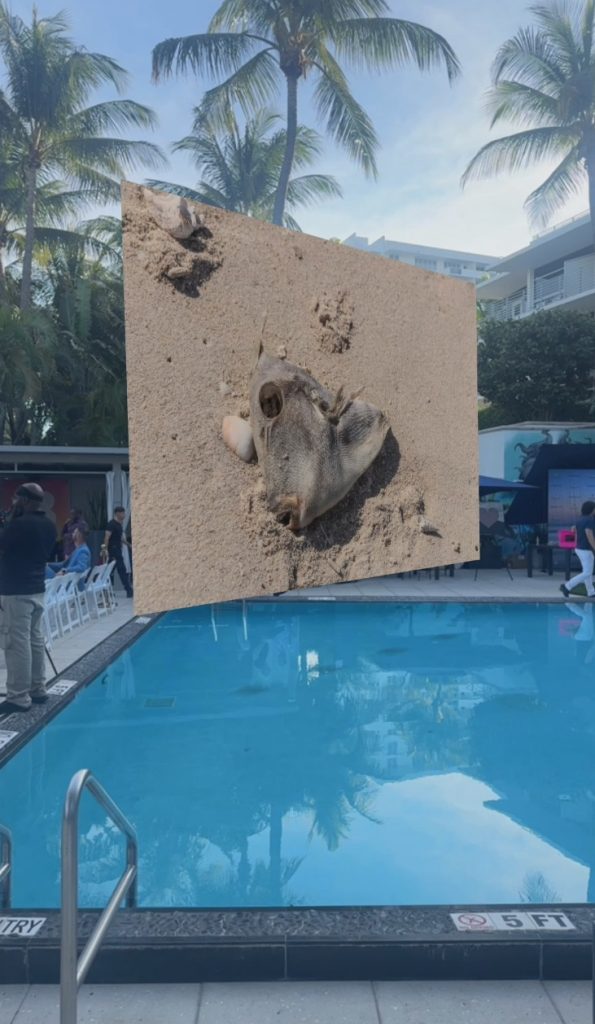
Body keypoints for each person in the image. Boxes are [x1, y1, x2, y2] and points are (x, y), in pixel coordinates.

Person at [0, 483, 57, 713]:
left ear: (24, 500)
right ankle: (37, 689)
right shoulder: (49, 525)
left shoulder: (18, 525)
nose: (13, 503)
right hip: (37, 589)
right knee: (34, 639)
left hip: (16, 591)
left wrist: (10, 520)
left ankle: (18, 696)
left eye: (15, 499)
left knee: (17, 643)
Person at [560, 500, 595, 599]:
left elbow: (573, 529)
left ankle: (591, 592)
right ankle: (567, 586)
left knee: (587, 571)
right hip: (585, 549)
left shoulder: (580, 519)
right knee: (587, 572)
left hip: (579, 548)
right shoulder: (590, 520)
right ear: (591, 509)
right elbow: (589, 534)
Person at [102, 506, 133, 598]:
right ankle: (128, 590)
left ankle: (107, 591)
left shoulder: (119, 525)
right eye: (122, 513)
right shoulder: (111, 524)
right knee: (120, 570)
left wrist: (128, 544)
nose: (124, 515)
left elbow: (120, 538)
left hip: (118, 549)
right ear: (117, 513)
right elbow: (106, 537)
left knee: (112, 571)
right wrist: (105, 550)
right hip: (113, 550)